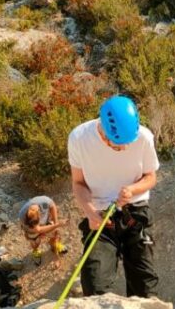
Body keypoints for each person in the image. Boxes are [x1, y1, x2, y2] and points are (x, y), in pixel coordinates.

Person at [68, 95, 159, 297]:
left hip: (134, 211)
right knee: (94, 284)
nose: (125, 148)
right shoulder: (79, 138)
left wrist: (132, 190)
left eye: (128, 142)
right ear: (103, 134)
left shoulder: (144, 137)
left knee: (145, 287)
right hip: (100, 215)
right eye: (118, 145)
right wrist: (90, 213)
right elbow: (78, 183)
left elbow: (151, 177)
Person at [18, 196, 67, 265]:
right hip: (31, 230)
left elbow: (52, 206)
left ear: (40, 214)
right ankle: (35, 250)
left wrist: (55, 223)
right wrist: (57, 225)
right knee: (35, 241)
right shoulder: (22, 215)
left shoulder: (45, 201)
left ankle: (54, 245)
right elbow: (38, 229)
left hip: (45, 222)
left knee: (54, 234)